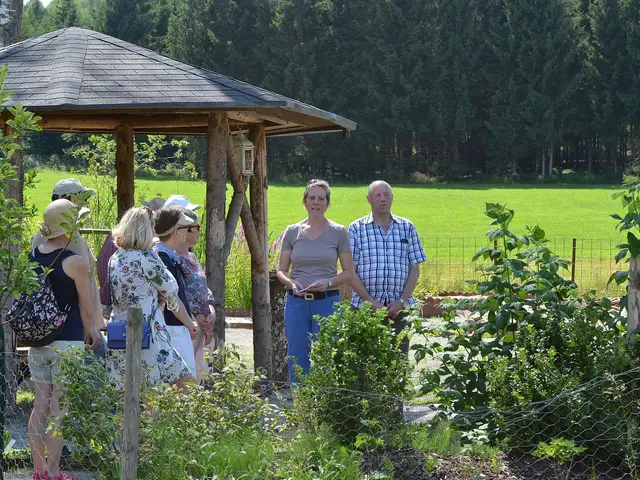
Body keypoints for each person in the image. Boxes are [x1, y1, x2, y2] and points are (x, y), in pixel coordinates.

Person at [27, 200, 101, 480]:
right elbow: (86, 306)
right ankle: (55, 471)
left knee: (39, 405)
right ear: (70, 226)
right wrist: (92, 330)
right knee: (60, 409)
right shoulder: (75, 261)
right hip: (67, 343)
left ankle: (38, 471)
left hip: (39, 342)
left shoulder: (32, 257)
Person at [276, 179, 355, 383]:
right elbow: (281, 270)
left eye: (321, 198)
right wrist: (291, 283)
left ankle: (324, 407)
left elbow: (348, 273)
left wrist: (328, 282)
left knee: (326, 357)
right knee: (297, 358)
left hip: (327, 301)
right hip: (296, 302)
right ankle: (300, 408)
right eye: (312, 198)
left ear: (327, 203)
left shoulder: (338, 232)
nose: (316, 202)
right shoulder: (293, 231)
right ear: (305, 201)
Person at [107, 207, 192, 388]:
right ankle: (175, 417)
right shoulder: (147, 258)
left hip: (120, 327)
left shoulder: (115, 257)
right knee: (179, 382)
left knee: (130, 388)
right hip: (149, 329)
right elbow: (171, 288)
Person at [348, 180, 427, 355]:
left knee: (398, 362)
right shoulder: (356, 229)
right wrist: (371, 303)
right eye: (378, 195)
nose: (383, 199)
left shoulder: (407, 227)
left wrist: (401, 302)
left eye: (386, 195)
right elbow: (350, 272)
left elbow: (415, 269)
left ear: (392, 198)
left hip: (399, 309)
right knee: (364, 362)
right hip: (364, 308)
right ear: (369, 199)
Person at [32, 178, 106, 358]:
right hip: (75, 327)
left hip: (62, 325)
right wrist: (90, 327)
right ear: (71, 200)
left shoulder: (44, 236)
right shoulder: (67, 238)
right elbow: (78, 285)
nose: (85, 204)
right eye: (82, 199)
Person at [97, 197, 165, 315]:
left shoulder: (117, 254)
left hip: (119, 316)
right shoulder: (147, 257)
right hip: (145, 319)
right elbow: (171, 289)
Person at [153, 207, 200, 379]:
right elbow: (171, 297)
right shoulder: (162, 257)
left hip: (174, 326)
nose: (187, 231)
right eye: (184, 228)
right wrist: (189, 323)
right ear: (175, 232)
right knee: (184, 385)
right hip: (172, 327)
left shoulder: (167, 255)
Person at [174, 208, 215, 381]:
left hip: (202, 325)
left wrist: (211, 308)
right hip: (188, 325)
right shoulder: (173, 258)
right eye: (196, 226)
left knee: (200, 373)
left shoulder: (192, 257)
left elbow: (203, 287)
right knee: (186, 376)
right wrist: (198, 319)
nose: (200, 230)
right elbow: (178, 292)